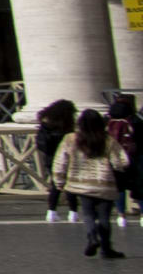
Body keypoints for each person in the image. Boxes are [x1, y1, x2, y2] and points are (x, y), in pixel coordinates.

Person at [51, 104, 124, 260]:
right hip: (104, 183)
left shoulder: (70, 139)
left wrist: (59, 182)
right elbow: (121, 162)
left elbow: (60, 162)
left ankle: (92, 237)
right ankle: (106, 248)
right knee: (104, 217)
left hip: (80, 183)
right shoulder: (107, 140)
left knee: (89, 214)